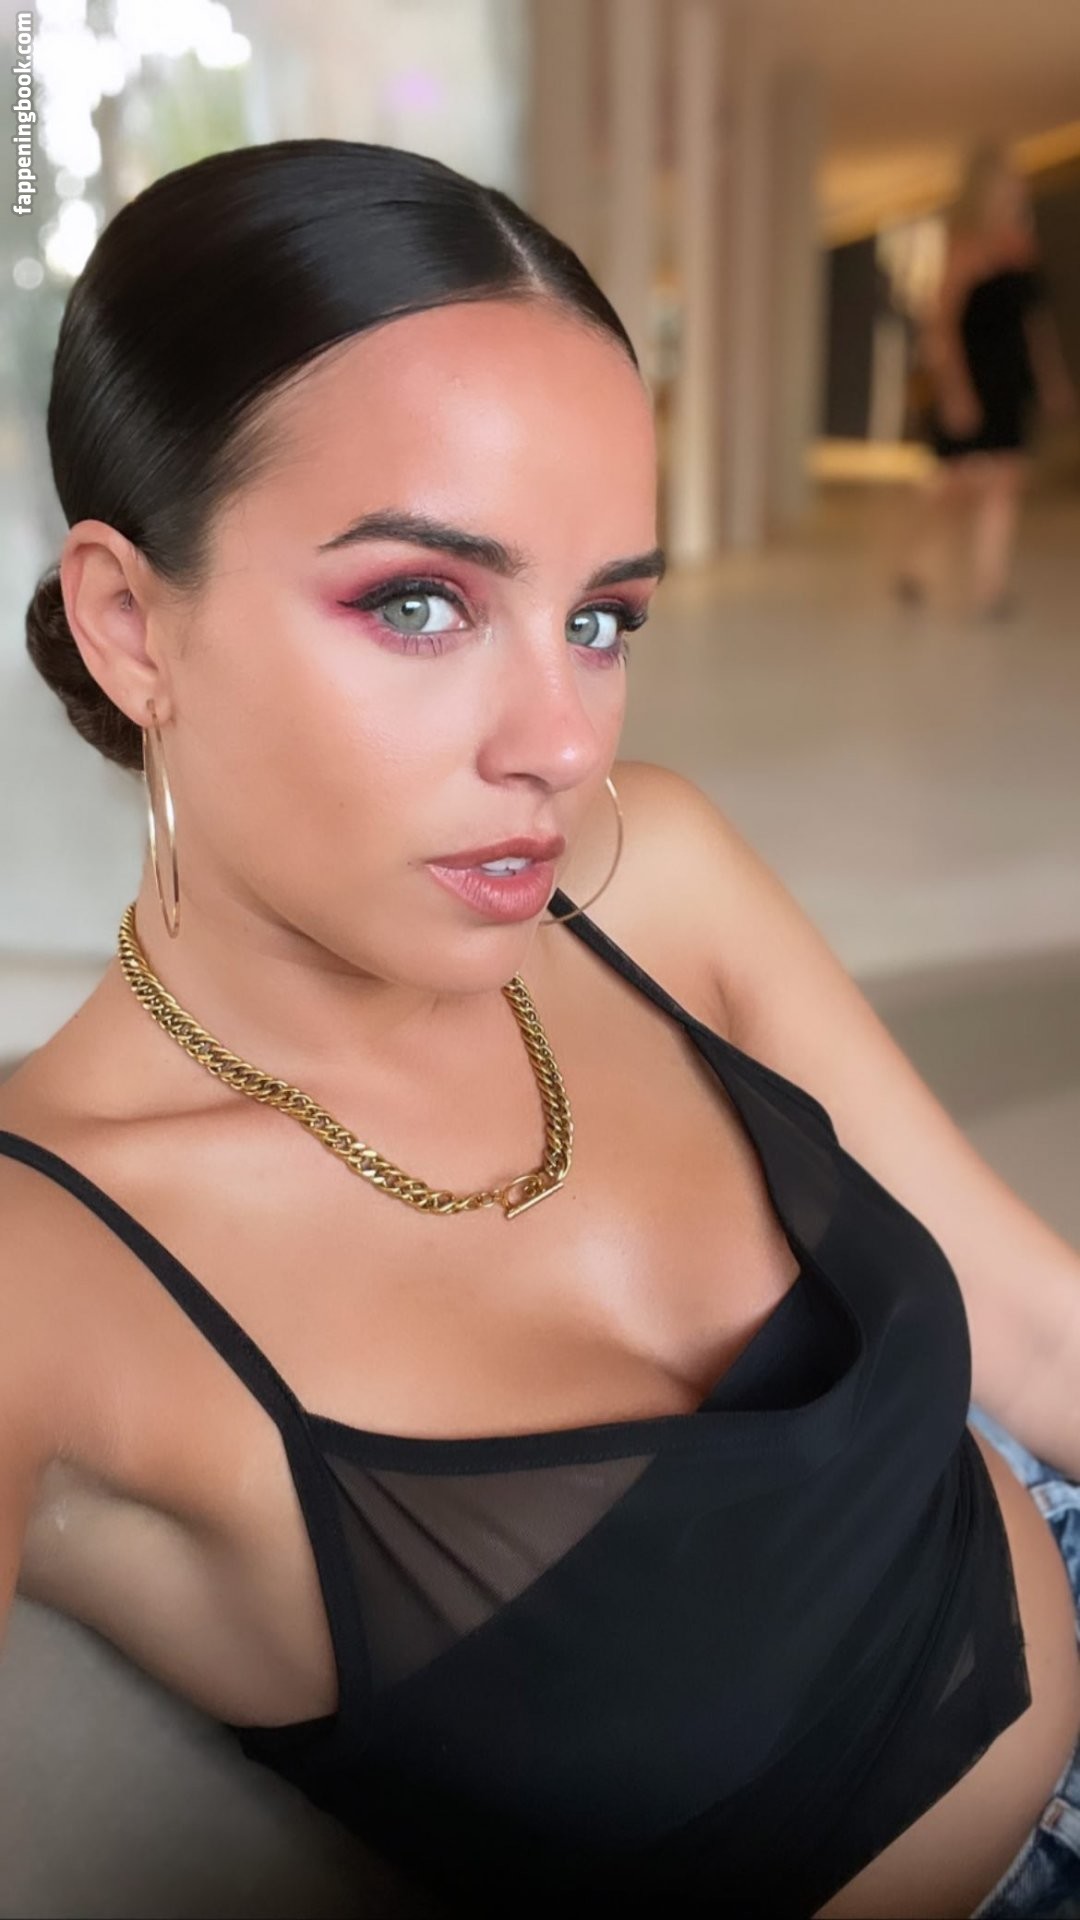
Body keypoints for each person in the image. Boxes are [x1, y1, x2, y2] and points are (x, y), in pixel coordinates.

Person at [2, 138, 1080, 1920]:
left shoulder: (649, 878)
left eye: (600, 618)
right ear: (131, 624)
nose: (564, 743)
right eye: (421, 603)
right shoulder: (47, 1268)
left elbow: (1034, 1327)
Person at [894, 142, 1076, 618]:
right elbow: (942, 325)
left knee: (1004, 481)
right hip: (975, 378)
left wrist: (1052, 380)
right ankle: (914, 564)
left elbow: (1035, 325)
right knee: (959, 484)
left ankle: (989, 587)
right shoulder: (965, 244)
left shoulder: (1022, 245)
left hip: (1011, 381)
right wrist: (956, 392)